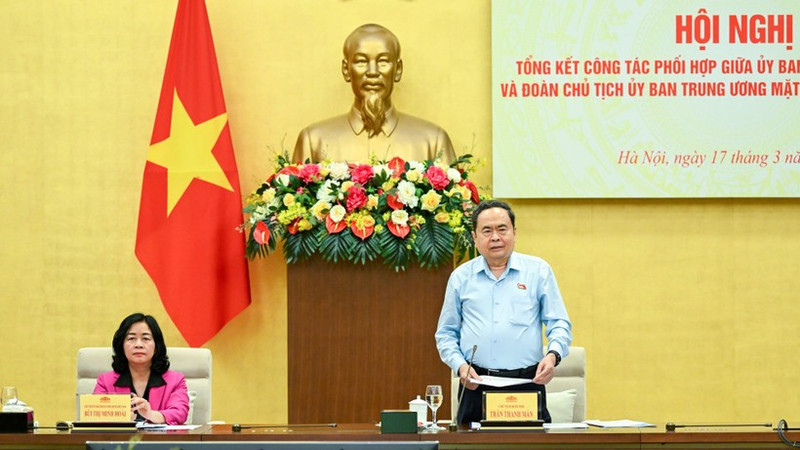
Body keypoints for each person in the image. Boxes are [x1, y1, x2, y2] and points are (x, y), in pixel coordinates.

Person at [435, 200, 573, 424]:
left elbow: (559, 323)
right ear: (475, 237)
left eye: (502, 229)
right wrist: (460, 365)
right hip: (476, 382)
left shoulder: (538, 271)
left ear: (514, 232)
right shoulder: (461, 277)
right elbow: (446, 333)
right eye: (486, 231)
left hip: (526, 382)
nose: (495, 237)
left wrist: (553, 355)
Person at [292, 23, 456, 164]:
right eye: (361, 61)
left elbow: (456, 199)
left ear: (397, 70)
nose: (372, 72)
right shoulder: (313, 141)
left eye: (383, 61)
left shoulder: (433, 142)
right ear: (346, 70)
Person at [94, 313, 189, 425]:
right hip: (119, 441)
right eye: (131, 338)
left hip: (161, 442)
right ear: (121, 345)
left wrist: (151, 414)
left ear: (156, 346)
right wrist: (119, 417)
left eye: (145, 338)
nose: (138, 345)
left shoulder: (176, 380)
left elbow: (180, 412)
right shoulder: (105, 381)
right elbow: (96, 415)